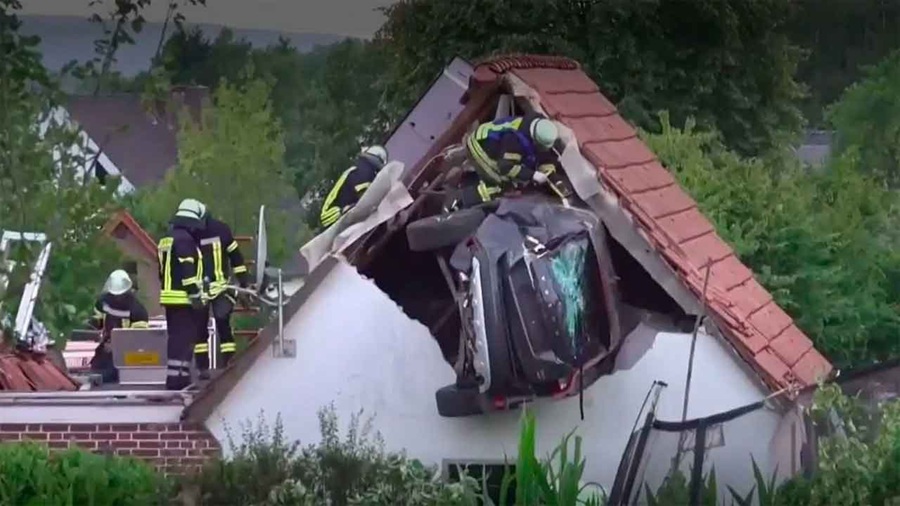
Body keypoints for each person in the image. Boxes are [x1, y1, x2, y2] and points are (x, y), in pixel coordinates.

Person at [455, 113, 561, 208]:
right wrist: (532, 175)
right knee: (504, 185)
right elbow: (506, 167)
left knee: (517, 177)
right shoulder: (514, 141)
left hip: (498, 146)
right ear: (534, 138)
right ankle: (463, 200)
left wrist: (548, 171)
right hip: (480, 145)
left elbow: (544, 153)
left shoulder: (542, 127)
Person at [157, 198, 207, 390]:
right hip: (183, 298)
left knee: (176, 338)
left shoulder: (166, 239)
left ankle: (178, 376)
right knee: (184, 339)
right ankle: (178, 380)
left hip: (169, 297)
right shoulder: (185, 240)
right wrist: (195, 295)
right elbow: (187, 270)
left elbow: (163, 270)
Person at [195, 209, 250, 378]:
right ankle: (228, 362)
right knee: (222, 324)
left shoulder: (192, 232)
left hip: (203, 290)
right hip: (218, 288)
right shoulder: (222, 229)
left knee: (200, 329)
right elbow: (237, 259)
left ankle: (203, 368)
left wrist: (243, 283)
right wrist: (244, 283)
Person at [87, 269, 149, 383]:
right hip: (106, 348)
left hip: (128, 352)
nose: (117, 298)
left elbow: (139, 339)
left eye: (120, 294)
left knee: (114, 372)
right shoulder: (103, 302)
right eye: (114, 294)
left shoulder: (138, 310)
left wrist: (117, 346)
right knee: (96, 367)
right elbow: (96, 322)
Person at [319, 145, 389, 228]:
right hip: (333, 217)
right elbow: (365, 197)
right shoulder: (364, 171)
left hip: (345, 219)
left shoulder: (363, 169)